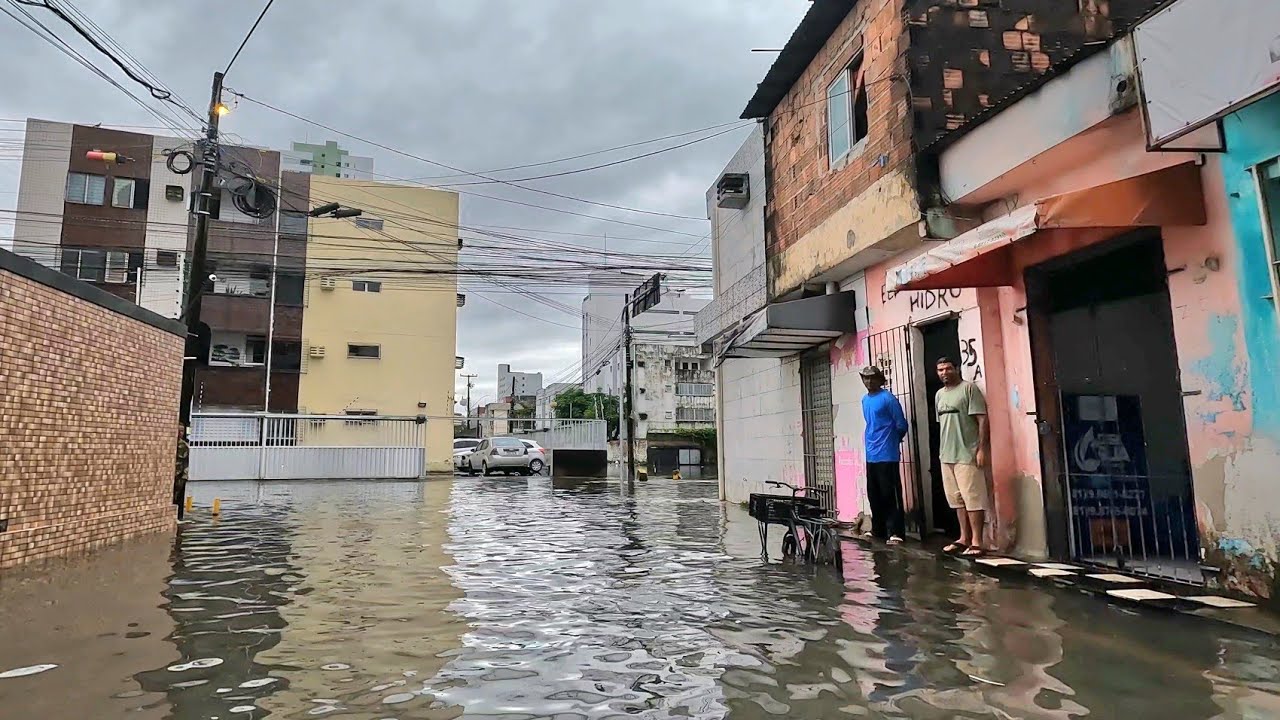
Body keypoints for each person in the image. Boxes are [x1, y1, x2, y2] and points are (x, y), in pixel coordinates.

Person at [935, 356, 990, 557]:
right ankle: (963, 538)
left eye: (948, 368)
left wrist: (982, 449)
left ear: (956, 369)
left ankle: (977, 541)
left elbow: (982, 420)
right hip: (946, 455)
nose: (944, 373)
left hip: (967, 453)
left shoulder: (969, 389)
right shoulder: (939, 395)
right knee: (957, 499)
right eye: (940, 370)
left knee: (973, 498)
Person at [859, 365, 909, 544]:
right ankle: (878, 529)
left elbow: (901, 424)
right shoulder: (864, 400)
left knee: (890, 494)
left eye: (872, 378)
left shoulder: (888, 398)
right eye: (866, 378)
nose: (869, 381)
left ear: (880, 379)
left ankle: (896, 531)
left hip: (887, 454)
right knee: (874, 493)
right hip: (871, 454)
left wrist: (892, 442)